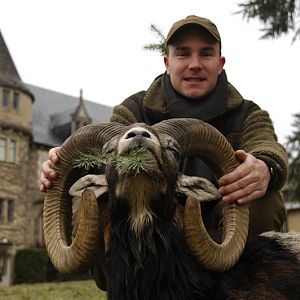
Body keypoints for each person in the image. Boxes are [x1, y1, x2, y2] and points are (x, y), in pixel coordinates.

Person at [40, 15, 288, 235]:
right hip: (152, 228)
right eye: (183, 53)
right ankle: (125, 284)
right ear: (167, 62)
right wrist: (61, 166)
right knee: (92, 198)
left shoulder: (247, 114)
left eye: (206, 53)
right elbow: (102, 156)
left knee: (263, 200)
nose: (194, 64)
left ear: (220, 63)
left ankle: (235, 285)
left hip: (220, 229)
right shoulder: (134, 109)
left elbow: (266, 145)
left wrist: (265, 167)